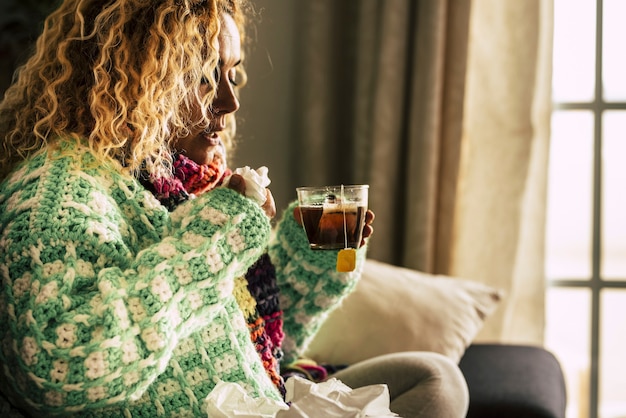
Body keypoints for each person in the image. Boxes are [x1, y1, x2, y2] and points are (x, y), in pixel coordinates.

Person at [0, 0, 469, 416]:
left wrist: (319, 256)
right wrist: (220, 232)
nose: (230, 99)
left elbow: (260, 345)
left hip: (261, 395)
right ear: (137, 80)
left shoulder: (180, 187)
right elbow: (57, 368)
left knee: (433, 376)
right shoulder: (56, 195)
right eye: (205, 77)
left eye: (232, 73)